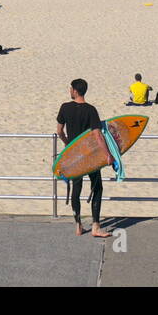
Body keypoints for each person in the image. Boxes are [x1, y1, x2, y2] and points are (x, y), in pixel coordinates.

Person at [56, 79, 109, 238]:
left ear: (75, 91)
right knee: (97, 188)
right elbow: (97, 134)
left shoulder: (65, 108)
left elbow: (59, 131)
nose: (70, 91)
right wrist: (108, 155)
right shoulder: (91, 110)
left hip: (75, 155)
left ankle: (78, 225)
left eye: (71, 89)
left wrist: (68, 145)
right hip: (91, 155)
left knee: (76, 189)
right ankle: (95, 227)